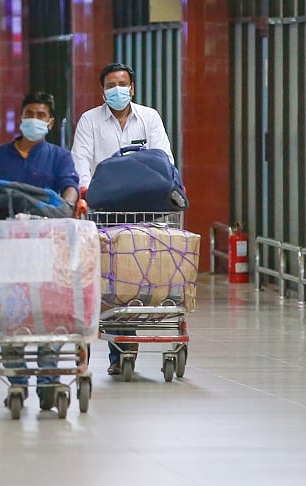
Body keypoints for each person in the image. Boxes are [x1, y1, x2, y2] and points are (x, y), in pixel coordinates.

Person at [70, 62, 175, 376]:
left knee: (137, 273)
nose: (117, 90)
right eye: (110, 85)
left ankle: (129, 341)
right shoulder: (90, 120)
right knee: (110, 277)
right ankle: (120, 348)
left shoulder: (149, 118)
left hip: (144, 205)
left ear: (133, 87)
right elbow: (81, 160)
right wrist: (85, 192)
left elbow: (164, 158)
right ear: (103, 90)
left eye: (123, 84)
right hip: (105, 208)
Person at [0, 91, 79, 411]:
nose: (33, 120)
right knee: (13, 313)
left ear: (50, 122)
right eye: (29, 113)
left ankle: (49, 380)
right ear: (20, 118)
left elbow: (70, 186)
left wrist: (69, 204)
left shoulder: (59, 156)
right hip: (8, 248)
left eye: (40, 115)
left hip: (46, 247)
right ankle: (17, 381)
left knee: (48, 314)